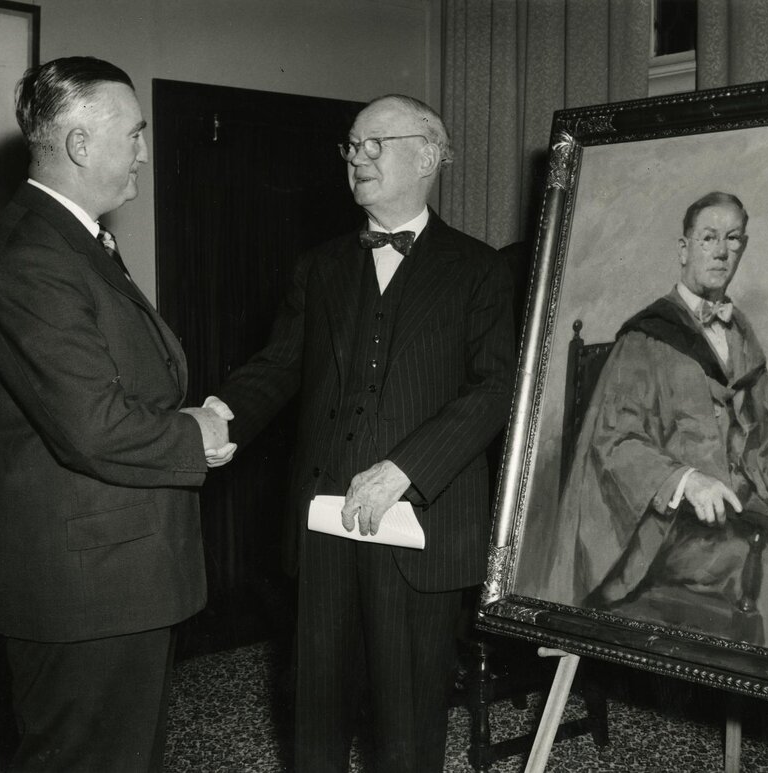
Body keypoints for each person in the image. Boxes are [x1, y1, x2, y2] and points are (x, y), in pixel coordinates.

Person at [217, 94, 515, 772]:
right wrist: (217, 413)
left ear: (429, 156)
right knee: (315, 714)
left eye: (376, 143)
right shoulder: (318, 267)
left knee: (406, 720)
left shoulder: (479, 270)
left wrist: (405, 469)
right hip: (324, 522)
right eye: (352, 145)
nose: (358, 157)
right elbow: (277, 367)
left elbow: (495, 388)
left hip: (419, 526)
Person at [0, 56, 236, 771]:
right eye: (134, 134)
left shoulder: (67, 241)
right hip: (86, 589)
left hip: (110, 574)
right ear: (80, 145)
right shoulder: (35, 258)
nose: (144, 150)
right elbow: (93, 426)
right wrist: (195, 432)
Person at [544, 191, 768, 672]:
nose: (721, 251)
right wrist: (686, 480)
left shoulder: (738, 333)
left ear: (743, 247)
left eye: (732, 239)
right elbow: (616, 442)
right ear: (684, 248)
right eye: (708, 238)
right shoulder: (645, 339)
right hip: (678, 534)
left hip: (751, 518)